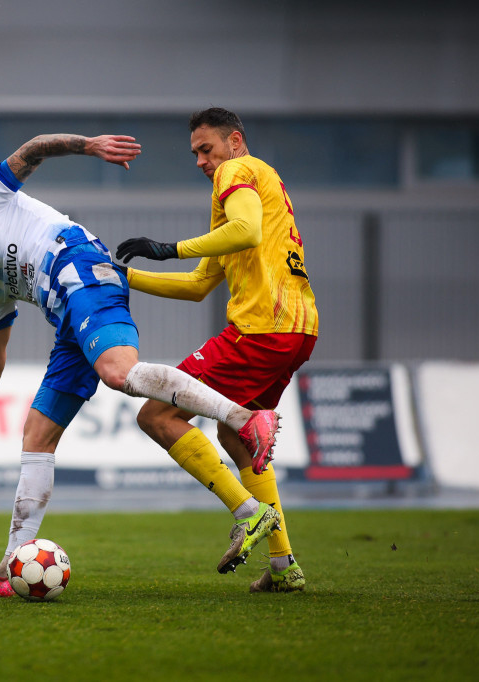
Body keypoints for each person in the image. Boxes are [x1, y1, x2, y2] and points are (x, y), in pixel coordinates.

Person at [0, 132, 283, 597]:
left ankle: (245, 418)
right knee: (37, 435)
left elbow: (33, 149)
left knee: (118, 373)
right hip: (66, 316)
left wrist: (88, 146)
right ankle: (7, 571)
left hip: (82, 269)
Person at [114, 107, 319, 593]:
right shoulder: (256, 183)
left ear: (235, 141)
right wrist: (126, 278)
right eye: (196, 154)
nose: (202, 161)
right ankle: (284, 567)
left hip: (260, 329)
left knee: (157, 417)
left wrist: (167, 246)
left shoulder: (237, 171)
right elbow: (201, 285)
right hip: (298, 330)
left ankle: (249, 516)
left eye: (207, 149)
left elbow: (245, 232)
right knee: (237, 439)